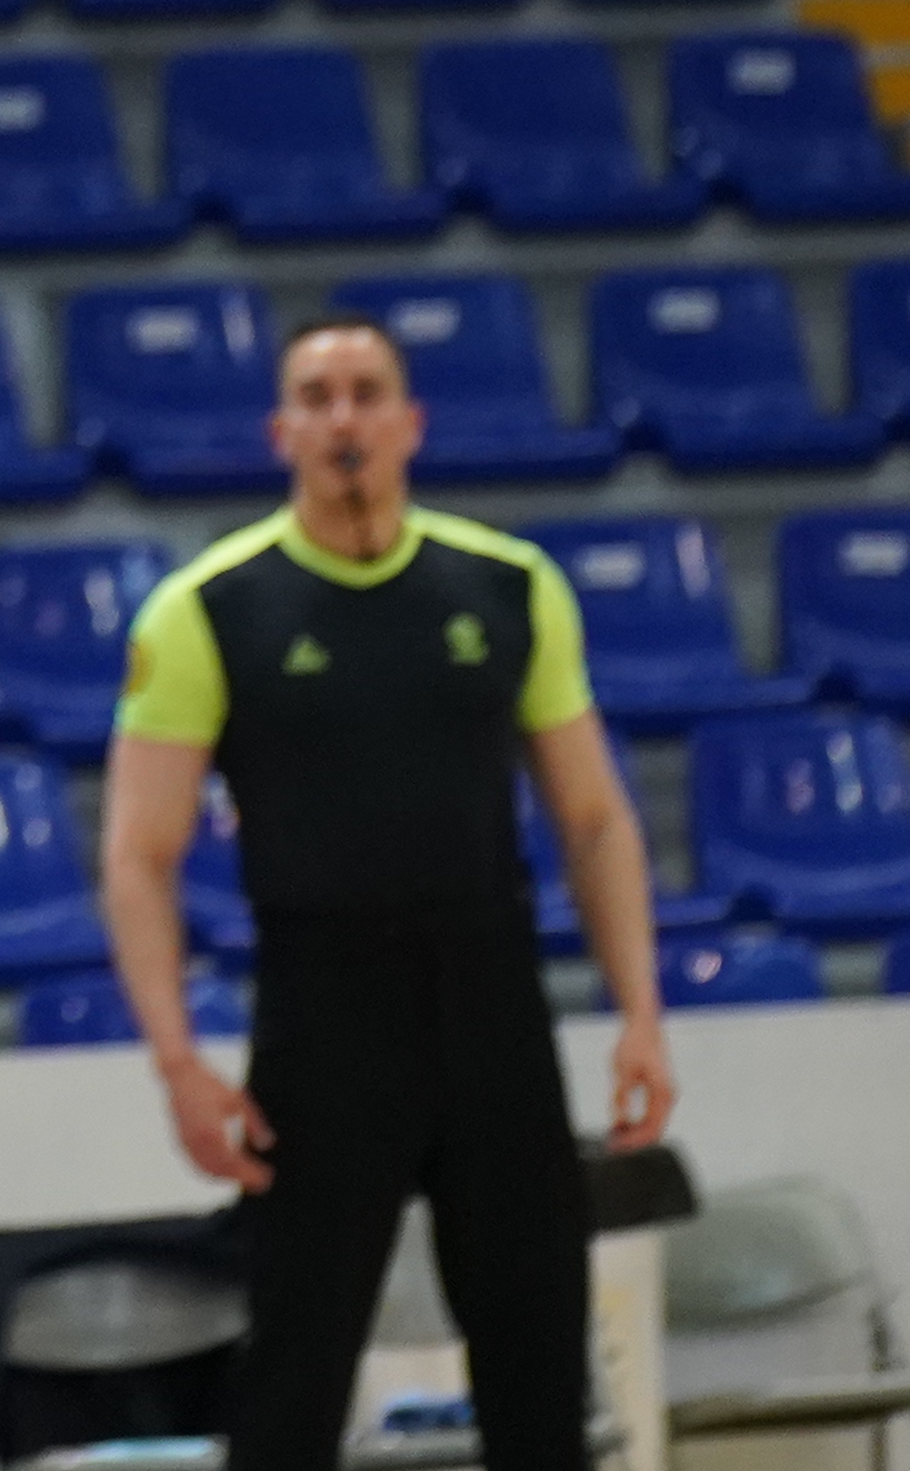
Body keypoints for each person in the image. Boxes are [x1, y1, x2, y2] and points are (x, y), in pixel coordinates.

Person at [93, 313, 673, 1471]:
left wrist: (642, 1015)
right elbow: (137, 855)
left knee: (539, 1374)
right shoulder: (209, 608)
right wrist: (178, 1066)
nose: (344, 416)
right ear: (283, 430)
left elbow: (596, 818)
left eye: (367, 391)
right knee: (293, 1386)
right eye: (318, 395)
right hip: (322, 1020)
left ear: (411, 422)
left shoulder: (511, 586)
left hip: (494, 1005)